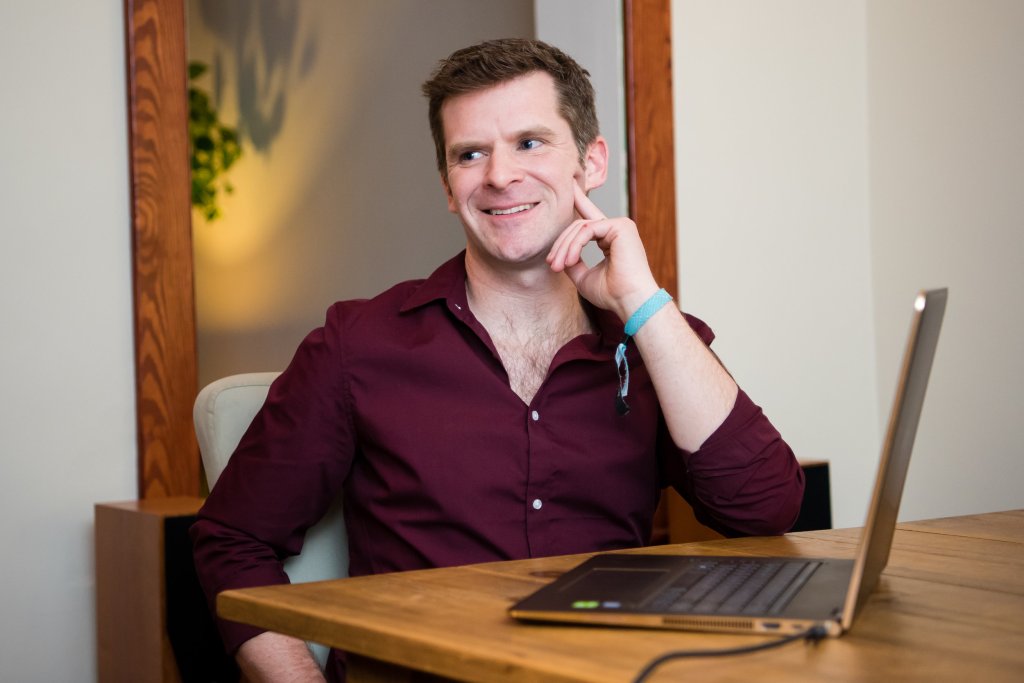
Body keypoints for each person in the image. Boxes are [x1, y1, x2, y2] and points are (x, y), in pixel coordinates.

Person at [191, 38, 804, 683]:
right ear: (448, 187)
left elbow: (765, 510)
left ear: (591, 162)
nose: (500, 175)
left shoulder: (653, 343)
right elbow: (232, 541)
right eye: (470, 154)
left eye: (530, 143)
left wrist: (641, 302)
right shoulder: (358, 345)